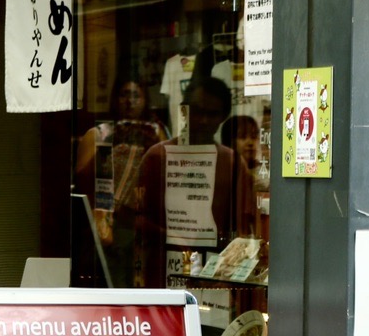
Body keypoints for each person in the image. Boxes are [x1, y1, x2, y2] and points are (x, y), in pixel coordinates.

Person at [136, 75, 258, 288]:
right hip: (161, 274)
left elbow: (245, 231)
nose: (203, 120)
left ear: (223, 117)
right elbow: (133, 219)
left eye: (211, 114)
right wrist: (169, 235)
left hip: (214, 278)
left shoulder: (232, 163)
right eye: (198, 111)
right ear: (185, 110)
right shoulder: (157, 157)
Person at [75, 79, 168, 288]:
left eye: (137, 96)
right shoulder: (98, 134)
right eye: (125, 95)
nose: (130, 101)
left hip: (142, 225)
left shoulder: (156, 133)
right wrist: (107, 147)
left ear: (145, 100)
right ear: (116, 100)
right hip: (108, 223)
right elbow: (81, 180)